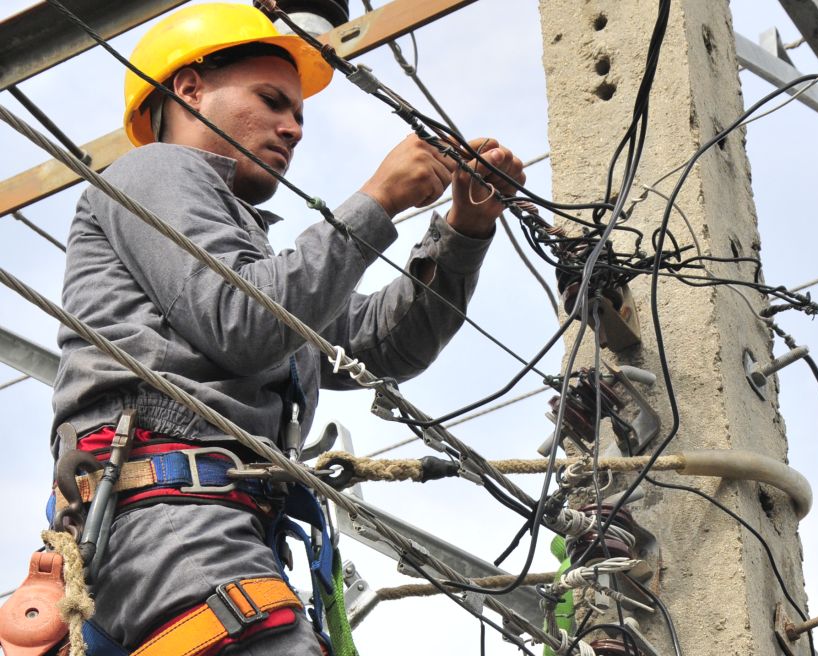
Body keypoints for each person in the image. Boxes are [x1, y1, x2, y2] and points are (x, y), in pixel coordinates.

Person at [47, 3, 524, 655]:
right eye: (272, 101)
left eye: (298, 115)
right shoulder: (155, 170)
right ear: (187, 89)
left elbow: (384, 344)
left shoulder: (258, 263)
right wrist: (377, 198)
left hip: (209, 530)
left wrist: (464, 231)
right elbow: (241, 322)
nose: (292, 128)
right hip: (172, 522)